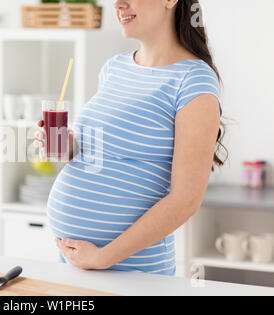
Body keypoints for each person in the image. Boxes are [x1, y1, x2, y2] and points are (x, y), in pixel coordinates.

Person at [34, 0, 226, 276]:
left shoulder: (194, 81)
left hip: (131, 270)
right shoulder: (114, 68)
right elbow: (103, 149)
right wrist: (68, 146)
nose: (118, 4)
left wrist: (102, 257)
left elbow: (186, 200)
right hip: (78, 262)